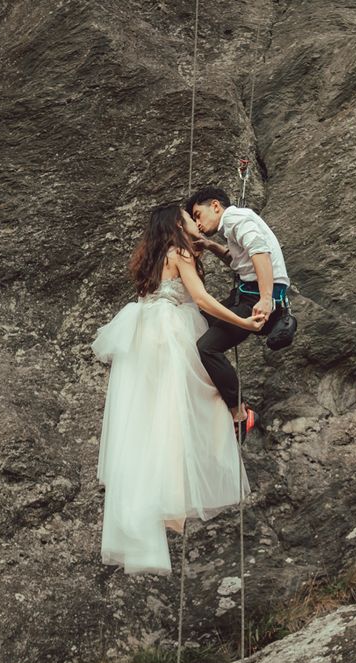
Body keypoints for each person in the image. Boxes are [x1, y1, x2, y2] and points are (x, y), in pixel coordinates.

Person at [92, 203, 266, 575]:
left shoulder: (151, 258)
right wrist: (243, 322)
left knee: (158, 415)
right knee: (194, 396)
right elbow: (201, 300)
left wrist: (210, 248)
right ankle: (239, 414)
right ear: (177, 225)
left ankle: (164, 493)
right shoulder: (180, 251)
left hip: (144, 334)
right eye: (188, 218)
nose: (194, 220)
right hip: (170, 330)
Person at [185, 186, 290, 424]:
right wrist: (212, 246)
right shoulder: (236, 223)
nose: (197, 224)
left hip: (257, 298)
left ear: (215, 206)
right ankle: (213, 386)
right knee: (200, 318)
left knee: (206, 347)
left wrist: (266, 298)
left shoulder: (234, 219)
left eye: (197, 215)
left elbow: (259, 252)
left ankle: (240, 413)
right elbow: (241, 261)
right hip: (246, 295)